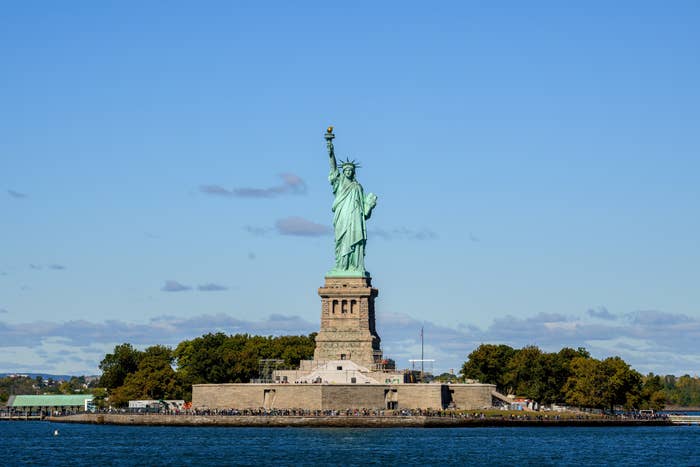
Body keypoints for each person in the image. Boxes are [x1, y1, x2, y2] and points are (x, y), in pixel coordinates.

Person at [326, 134, 377, 275]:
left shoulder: (358, 187)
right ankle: (342, 266)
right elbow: (333, 166)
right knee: (342, 240)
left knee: (355, 240)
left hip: (355, 217)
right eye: (346, 170)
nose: (348, 171)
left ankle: (356, 266)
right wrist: (330, 149)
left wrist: (369, 206)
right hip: (342, 215)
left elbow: (364, 213)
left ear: (353, 172)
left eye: (350, 170)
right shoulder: (340, 181)